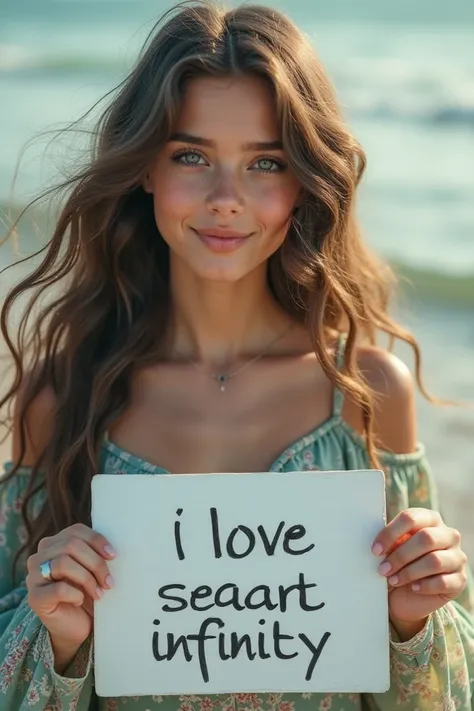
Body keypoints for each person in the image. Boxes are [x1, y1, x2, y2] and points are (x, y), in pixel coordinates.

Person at [0, 1, 473, 709]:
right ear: (145, 170)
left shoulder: (368, 394)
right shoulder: (60, 397)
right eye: (192, 156)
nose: (227, 199)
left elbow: (434, 697)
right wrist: (60, 636)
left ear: (304, 182)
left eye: (266, 163)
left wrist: (413, 612)